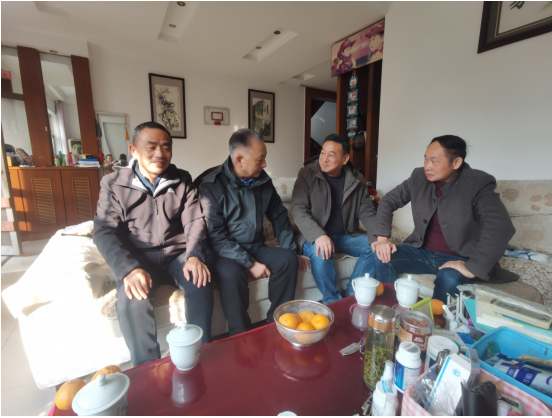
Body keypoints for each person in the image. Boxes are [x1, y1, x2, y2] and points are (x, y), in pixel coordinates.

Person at [94, 121, 212, 366]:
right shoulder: (114, 183)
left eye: (166, 147)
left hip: (177, 255)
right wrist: (128, 269)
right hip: (138, 260)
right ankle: (147, 369)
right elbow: (104, 230)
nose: (160, 153)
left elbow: (194, 221)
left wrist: (194, 256)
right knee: (132, 301)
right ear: (133, 150)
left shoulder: (182, 179)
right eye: (151, 147)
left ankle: (201, 355)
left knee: (200, 282)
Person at [371, 135, 518, 303]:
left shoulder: (477, 183)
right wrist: (382, 239)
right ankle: (388, 307)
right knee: (381, 255)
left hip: (459, 257)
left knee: (449, 278)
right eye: (425, 159)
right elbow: (388, 201)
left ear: (456, 162)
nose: (427, 166)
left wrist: (472, 268)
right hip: (421, 251)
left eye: (434, 161)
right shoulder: (418, 177)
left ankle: (437, 319)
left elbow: (500, 225)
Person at [196, 129, 307, 336]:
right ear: (239, 159)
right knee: (231, 274)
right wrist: (250, 264)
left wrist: (291, 250)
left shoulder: (263, 181)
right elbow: (217, 237)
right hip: (224, 252)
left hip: (255, 246)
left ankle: (278, 321)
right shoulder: (212, 185)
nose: (264, 164)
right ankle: (241, 335)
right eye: (260, 159)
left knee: (287, 259)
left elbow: (280, 217)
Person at [291, 134, 377, 305]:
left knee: (376, 247)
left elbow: (367, 210)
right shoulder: (307, 174)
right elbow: (298, 209)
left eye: (331, 155)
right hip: (313, 237)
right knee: (321, 251)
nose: (324, 159)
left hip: (345, 236)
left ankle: (352, 296)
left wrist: (379, 237)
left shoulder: (357, 178)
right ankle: (333, 302)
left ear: (345, 159)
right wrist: (318, 235)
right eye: (322, 152)